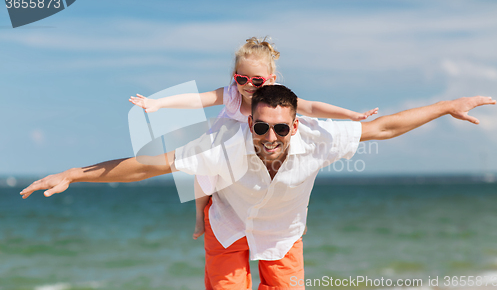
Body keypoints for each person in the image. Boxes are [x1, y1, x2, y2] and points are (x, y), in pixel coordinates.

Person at [21, 85, 495, 290]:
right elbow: (146, 166)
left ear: (295, 124)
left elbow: (386, 128)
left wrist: (447, 105)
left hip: (283, 233)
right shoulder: (225, 148)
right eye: (262, 128)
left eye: (281, 129)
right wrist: (73, 173)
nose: (271, 138)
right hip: (227, 226)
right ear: (250, 122)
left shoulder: (317, 139)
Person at [129, 36, 379, 240]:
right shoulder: (231, 95)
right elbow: (197, 99)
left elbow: (312, 107)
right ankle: (199, 217)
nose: (248, 85)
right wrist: (158, 103)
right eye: (241, 78)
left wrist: (350, 115)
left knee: (295, 172)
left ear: (270, 80)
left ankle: (298, 219)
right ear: (235, 76)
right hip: (229, 144)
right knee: (202, 177)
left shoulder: (275, 99)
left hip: (264, 144)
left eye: (256, 80)